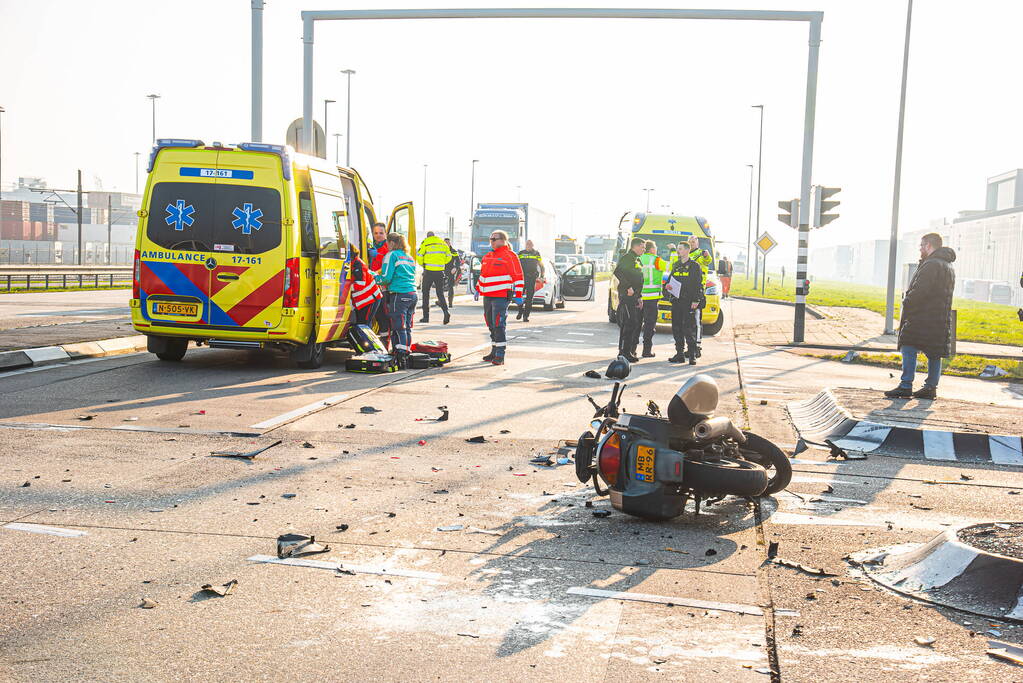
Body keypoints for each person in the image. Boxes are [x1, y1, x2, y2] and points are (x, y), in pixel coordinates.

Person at [884, 233, 957, 400]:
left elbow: (920, 290)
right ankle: (930, 387)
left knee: (908, 345)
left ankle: (905, 385)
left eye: (922, 245)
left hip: (923, 316)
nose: (920, 249)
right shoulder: (948, 265)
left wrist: (907, 303)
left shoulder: (931, 264)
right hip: (940, 317)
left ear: (929, 246)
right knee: (934, 352)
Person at [476, 230, 523, 365]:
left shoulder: (510, 255)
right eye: (490, 238)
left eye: (493, 238)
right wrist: (478, 289)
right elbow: (483, 275)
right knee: (490, 324)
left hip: (501, 296)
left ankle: (500, 355)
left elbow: (518, 276)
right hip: (488, 296)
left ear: (503, 240)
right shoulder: (487, 256)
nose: (491, 241)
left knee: (498, 324)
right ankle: (494, 350)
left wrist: (518, 295)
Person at [376, 233, 418, 367]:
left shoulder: (391, 255)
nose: (386, 246)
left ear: (392, 243)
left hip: (399, 294)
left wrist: (373, 277)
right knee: (406, 327)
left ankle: (399, 356)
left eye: (387, 243)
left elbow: (386, 278)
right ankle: (405, 353)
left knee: (398, 327)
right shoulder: (408, 257)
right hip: (412, 294)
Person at [665, 243, 703, 364]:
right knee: (676, 328)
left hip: (688, 302)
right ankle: (679, 354)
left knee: (688, 328)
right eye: (677, 249)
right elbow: (671, 279)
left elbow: (698, 285)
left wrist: (696, 300)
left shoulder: (694, 266)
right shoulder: (676, 265)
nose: (678, 251)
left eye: (680, 249)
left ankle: (692, 355)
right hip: (677, 301)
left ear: (687, 250)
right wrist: (668, 286)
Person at [613, 237, 645, 362]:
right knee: (628, 323)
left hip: (634, 296)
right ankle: (623, 353)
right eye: (642, 247)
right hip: (627, 296)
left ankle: (628, 351)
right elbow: (618, 272)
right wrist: (628, 287)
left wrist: (639, 296)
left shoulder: (637, 259)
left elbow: (638, 279)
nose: (643, 249)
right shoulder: (628, 258)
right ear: (635, 247)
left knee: (633, 324)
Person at [638, 240, 667, 357]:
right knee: (649, 326)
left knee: (636, 325)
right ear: (652, 249)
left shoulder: (639, 259)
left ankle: (631, 350)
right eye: (655, 247)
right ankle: (646, 351)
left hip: (639, 297)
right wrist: (674, 251)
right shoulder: (657, 260)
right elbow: (673, 265)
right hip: (652, 298)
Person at [417, 231, 451, 324]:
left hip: (428, 271)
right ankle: (445, 311)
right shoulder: (442, 243)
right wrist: (441, 263)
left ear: (427, 236)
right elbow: (449, 256)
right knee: (440, 293)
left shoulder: (425, 242)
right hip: (440, 271)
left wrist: (423, 264)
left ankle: (426, 317)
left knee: (425, 293)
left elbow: (419, 255)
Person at [349, 246, 384, 332]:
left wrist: (346, 287)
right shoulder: (354, 263)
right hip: (365, 300)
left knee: (364, 326)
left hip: (370, 299)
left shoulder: (357, 264)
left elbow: (360, 284)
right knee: (362, 325)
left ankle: (369, 345)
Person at [688, 235, 712, 356]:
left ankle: (697, 347)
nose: (692, 244)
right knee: (687, 322)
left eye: (694, 242)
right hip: (686, 291)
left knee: (697, 320)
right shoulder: (686, 255)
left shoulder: (701, 254)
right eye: (690, 242)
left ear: (697, 243)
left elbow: (707, 261)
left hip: (698, 291)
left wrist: (707, 255)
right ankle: (689, 346)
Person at [516, 239, 544, 322]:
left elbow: (541, 265)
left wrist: (542, 276)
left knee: (529, 298)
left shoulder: (536, 253)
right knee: (519, 296)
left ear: (533, 245)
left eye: (530, 244)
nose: (529, 245)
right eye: (527, 244)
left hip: (532, 278)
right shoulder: (521, 253)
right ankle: (520, 311)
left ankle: (526, 316)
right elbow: (516, 264)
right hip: (521, 277)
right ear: (525, 245)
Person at [443, 238, 460, 307]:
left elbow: (458, 261)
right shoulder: (441, 251)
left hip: (451, 271)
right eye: (445, 243)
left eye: (448, 243)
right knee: (440, 287)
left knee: (450, 287)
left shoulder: (453, 251)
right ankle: (441, 302)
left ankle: (450, 303)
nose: (447, 244)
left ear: (450, 243)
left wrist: (455, 268)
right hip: (441, 270)